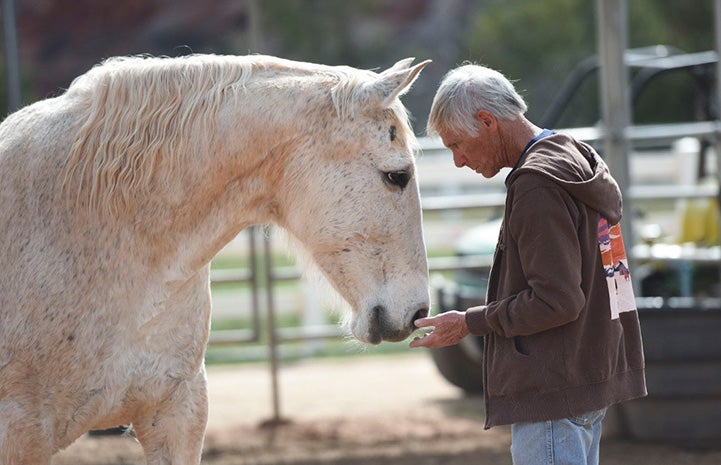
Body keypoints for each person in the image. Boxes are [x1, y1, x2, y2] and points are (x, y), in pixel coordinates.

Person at [410, 64, 647, 465]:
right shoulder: (571, 153)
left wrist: (470, 322)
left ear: (487, 121)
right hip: (586, 371)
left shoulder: (536, 185)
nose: (458, 161)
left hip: (552, 387)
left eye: (457, 145)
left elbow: (557, 300)